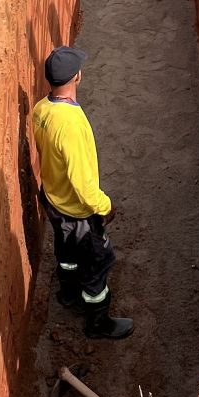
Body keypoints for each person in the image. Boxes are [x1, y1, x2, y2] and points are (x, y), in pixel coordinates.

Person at [30, 45, 134, 340]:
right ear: (77, 76)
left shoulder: (41, 109)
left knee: (66, 253)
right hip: (78, 213)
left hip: (53, 201)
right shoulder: (71, 124)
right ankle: (98, 323)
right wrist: (104, 207)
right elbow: (83, 183)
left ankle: (68, 293)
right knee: (99, 262)